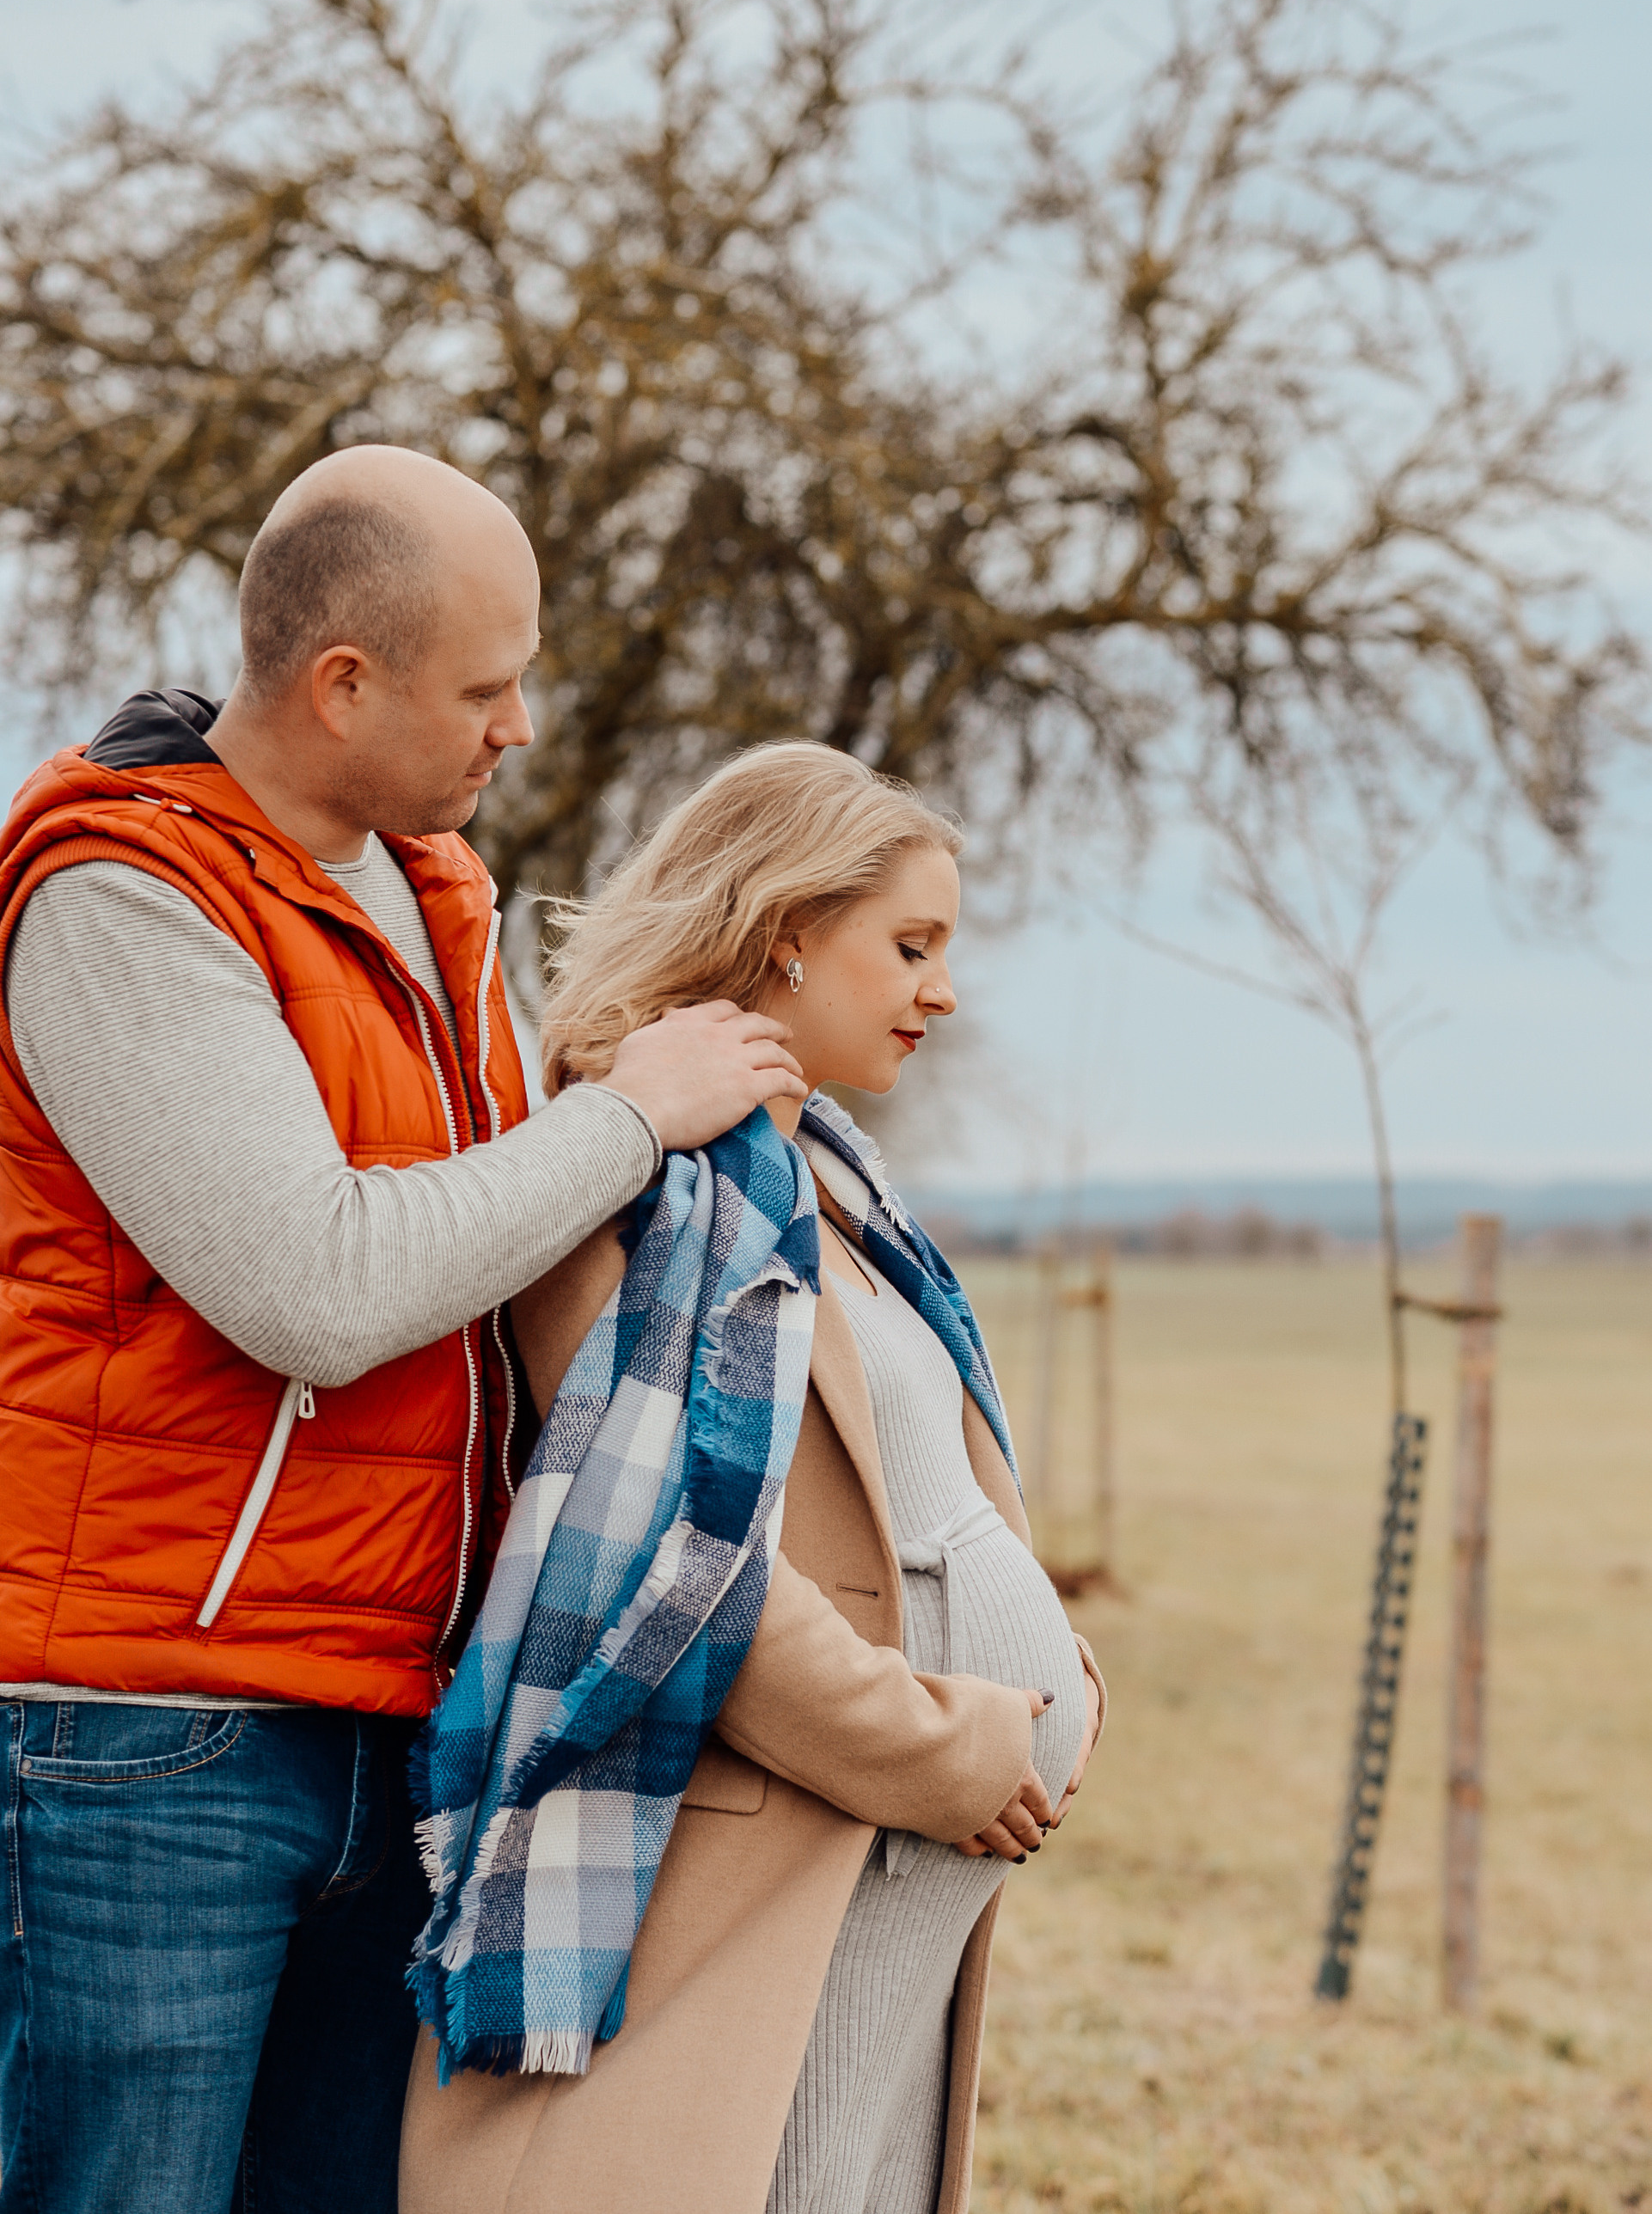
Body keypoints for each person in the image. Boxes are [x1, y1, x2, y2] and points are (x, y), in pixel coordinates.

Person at [0, 446, 809, 2214]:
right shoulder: (123, 900)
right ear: (342, 683)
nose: (520, 726)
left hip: (390, 1711)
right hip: (150, 1731)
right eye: (487, 684)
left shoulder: (427, 895)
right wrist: (630, 1117)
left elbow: (509, 1238)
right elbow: (322, 1287)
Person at [400, 741, 1105, 2214]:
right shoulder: (631, 1183)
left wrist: (1054, 1677)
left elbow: (925, 1492)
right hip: (799, 1837)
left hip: (901, 1842)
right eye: (908, 947)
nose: (943, 991)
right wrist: (937, 1747)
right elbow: (665, 1557)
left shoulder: (832, 1181)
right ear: (786, 929)